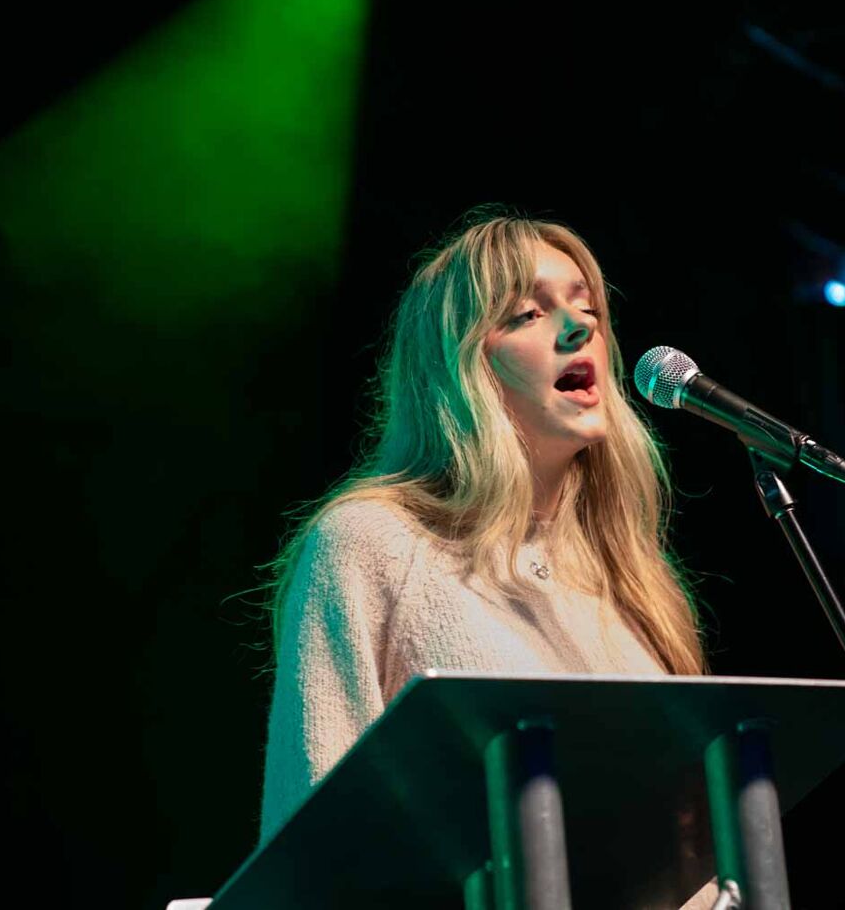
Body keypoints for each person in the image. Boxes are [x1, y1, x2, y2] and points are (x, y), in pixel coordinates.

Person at [258, 208, 715, 906]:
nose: (578, 326)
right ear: (458, 365)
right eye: (528, 312)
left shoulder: (634, 585)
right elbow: (311, 838)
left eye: (587, 307)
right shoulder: (369, 543)